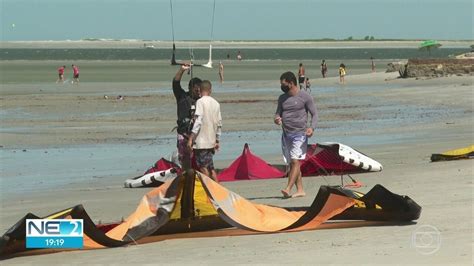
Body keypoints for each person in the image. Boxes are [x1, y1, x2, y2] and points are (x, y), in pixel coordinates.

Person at [274, 71, 317, 198]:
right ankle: (300, 190)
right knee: (293, 163)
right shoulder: (282, 98)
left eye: (283, 84)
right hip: (286, 134)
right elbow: (277, 114)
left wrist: (312, 128)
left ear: (291, 83)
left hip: (300, 134)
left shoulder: (305, 96)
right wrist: (277, 119)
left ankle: (288, 188)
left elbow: (315, 114)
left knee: (295, 161)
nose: (282, 86)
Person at [187, 80, 222, 182]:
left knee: (203, 168)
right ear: (210, 90)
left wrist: (191, 138)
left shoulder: (200, 102)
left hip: (201, 142)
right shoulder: (216, 103)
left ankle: (209, 189)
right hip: (211, 141)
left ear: (200, 90)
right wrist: (217, 140)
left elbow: (198, 122)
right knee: (211, 168)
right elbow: (219, 124)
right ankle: (218, 191)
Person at [172, 64, 202, 167]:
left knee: (197, 160)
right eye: (196, 90)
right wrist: (182, 70)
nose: (199, 92)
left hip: (197, 135)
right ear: (190, 88)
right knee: (184, 160)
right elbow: (175, 83)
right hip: (183, 134)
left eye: (200, 90)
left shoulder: (201, 101)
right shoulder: (182, 97)